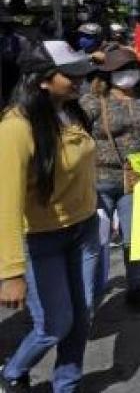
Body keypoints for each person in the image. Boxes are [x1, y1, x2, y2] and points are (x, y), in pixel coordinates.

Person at [0, 41, 99, 392]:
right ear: (41, 80)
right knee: (55, 325)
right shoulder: (15, 127)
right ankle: (12, 373)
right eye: (70, 73)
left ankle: (66, 385)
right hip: (42, 240)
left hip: (85, 230)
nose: (80, 79)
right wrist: (11, 273)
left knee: (82, 317)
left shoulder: (73, 110)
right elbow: (6, 203)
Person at [80, 49, 140, 312]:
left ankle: (136, 286)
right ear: (108, 74)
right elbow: (73, 138)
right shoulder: (91, 103)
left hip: (137, 181)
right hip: (98, 180)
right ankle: (89, 292)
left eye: (132, 68)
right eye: (122, 69)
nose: (128, 74)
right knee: (95, 240)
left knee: (135, 238)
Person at [0, 13, 26, 106]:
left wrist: (17, 60)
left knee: (16, 84)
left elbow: (24, 52)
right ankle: (6, 102)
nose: (5, 28)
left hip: (15, 65)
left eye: (8, 25)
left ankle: (15, 102)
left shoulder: (20, 39)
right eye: (4, 25)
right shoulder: (1, 38)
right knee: (5, 86)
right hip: (3, 65)